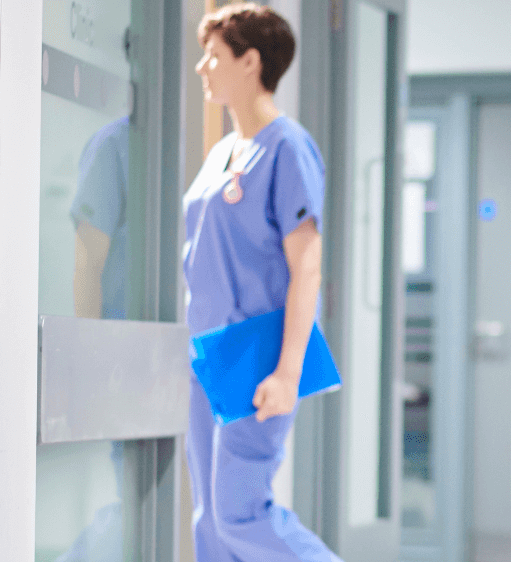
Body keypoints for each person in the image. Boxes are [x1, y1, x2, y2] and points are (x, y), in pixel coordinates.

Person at [182, 4, 339, 562]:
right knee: (209, 522)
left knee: (241, 514)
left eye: (214, 56)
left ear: (250, 63)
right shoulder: (223, 151)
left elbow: (308, 266)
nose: (203, 67)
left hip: (255, 355)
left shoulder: (287, 148)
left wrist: (287, 372)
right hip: (207, 352)